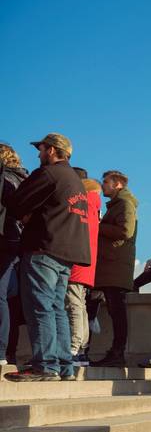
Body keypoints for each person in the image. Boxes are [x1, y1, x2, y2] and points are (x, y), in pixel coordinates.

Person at [4, 133, 90, 382]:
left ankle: (45, 365)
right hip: (68, 253)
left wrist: (25, 213)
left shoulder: (49, 174)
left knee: (40, 307)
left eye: (41, 149)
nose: (38, 154)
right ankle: (64, 366)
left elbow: (17, 203)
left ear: (51, 150)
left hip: (44, 248)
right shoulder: (75, 180)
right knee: (56, 308)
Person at [88, 170, 137, 367]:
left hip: (114, 267)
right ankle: (115, 352)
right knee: (114, 311)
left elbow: (126, 230)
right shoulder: (118, 205)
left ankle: (117, 353)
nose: (103, 185)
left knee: (117, 312)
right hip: (111, 267)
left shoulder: (125, 204)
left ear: (118, 184)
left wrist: (97, 225)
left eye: (106, 182)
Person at [65, 169, 101, 365]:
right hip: (87, 263)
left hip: (76, 262)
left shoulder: (82, 202)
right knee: (80, 305)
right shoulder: (94, 203)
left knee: (74, 305)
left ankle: (75, 348)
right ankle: (82, 349)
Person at [0, 143, 27, 366]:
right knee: (11, 301)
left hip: (5, 240)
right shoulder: (24, 179)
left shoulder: (6, 179)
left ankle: (2, 352)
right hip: (19, 244)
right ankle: (9, 352)